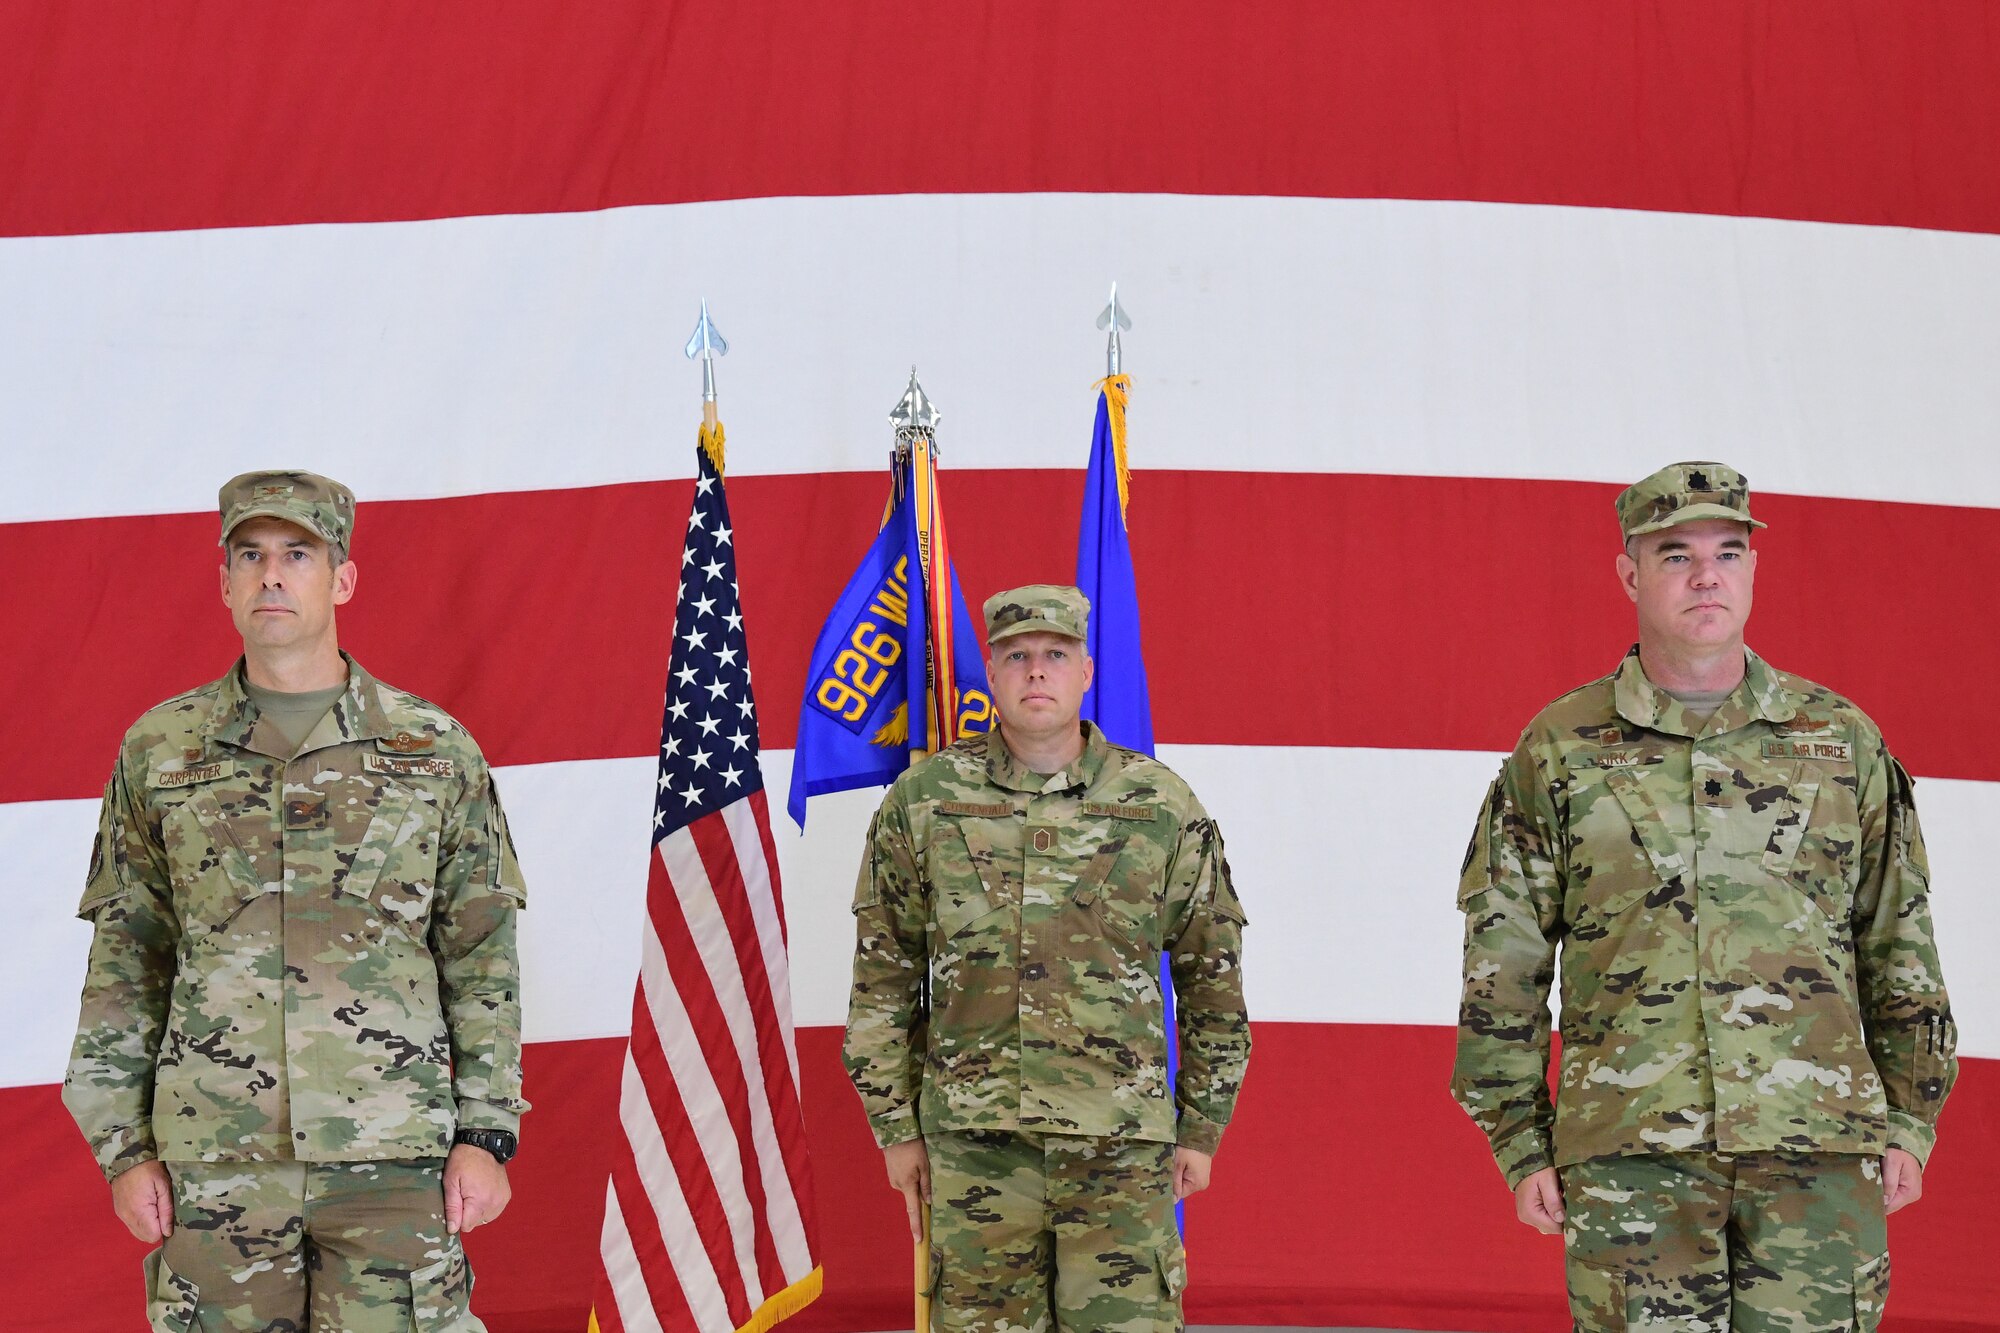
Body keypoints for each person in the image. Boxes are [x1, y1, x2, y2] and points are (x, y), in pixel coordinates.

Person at [1452, 461, 1957, 1329]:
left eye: (1728, 550)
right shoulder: (1561, 749)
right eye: (1675, 553)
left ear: (1754, 568)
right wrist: (1518, 1139)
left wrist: (1912, 1120)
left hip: (1818, 1150)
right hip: (1633, 1155)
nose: (1705, 575)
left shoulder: (1840, 739)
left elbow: (1898, 941)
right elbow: (1505, 962)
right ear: (1629, 573)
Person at [64, 470, 528, 1332]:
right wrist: (124, 1151)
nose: (272, 575)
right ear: (226, 582)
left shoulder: (431, 749)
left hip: (393, 1158)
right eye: (251, 555)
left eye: (298, 554)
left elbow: (482, 955)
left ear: (341, 578)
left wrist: (487, 1133)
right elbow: (127, 959)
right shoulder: (161, 752)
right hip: (217, 1163)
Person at [843, 584, 1250, 1332]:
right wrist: (896, 1128)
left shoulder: (1161, 805)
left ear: (1086, 672)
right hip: (976, 1156)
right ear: (991, 675)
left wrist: (1200, 1126)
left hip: (1120, 1151)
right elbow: (883, 978)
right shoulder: (924, 802)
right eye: (1017, 656)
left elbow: (1212, 979)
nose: (1037, 671)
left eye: (1055, 655)